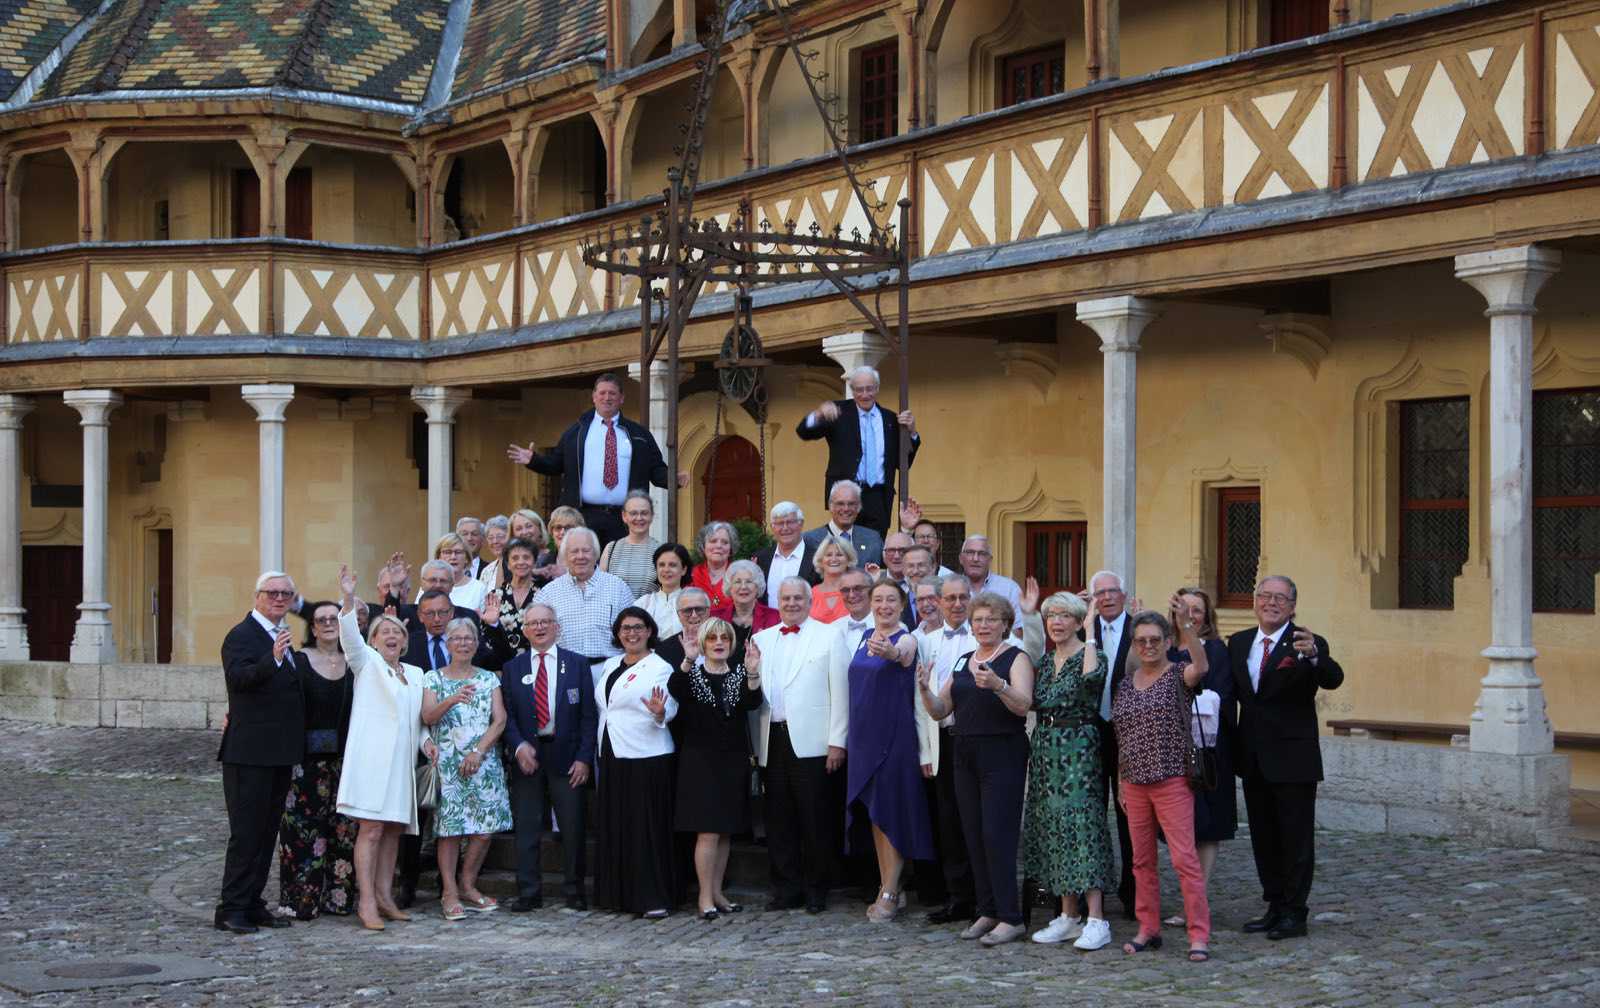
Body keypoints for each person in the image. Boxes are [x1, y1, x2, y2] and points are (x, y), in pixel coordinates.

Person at [1229, 575, 1344, 942]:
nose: (1272, 602)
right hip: (1253, 757)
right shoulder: (1240, 642)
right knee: (1263, 838)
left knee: (1295, 839)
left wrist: (1314, 656)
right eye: (1265, 595)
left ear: (1293, 606)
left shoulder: (1306, 642)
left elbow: (1333, 678)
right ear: (1256, 601)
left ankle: (1296, 913)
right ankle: (1275, 904)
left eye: (1281, 598)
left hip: (1293, 758)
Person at [916, 592, 1033, 946]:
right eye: (978, 620)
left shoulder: (1016, 657)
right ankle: (988, 910)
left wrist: (998, 685)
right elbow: (940, 710)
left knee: (997, 836)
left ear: (1005, 625)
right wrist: (924, 689)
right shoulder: (965, 659)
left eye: (991, 620)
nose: (983, 625)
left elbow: (1023, 705)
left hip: (1002, 751)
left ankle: (1011, 917)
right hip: (964, 752)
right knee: (973, 834)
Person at [334, 564, 435, 933]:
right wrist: (348, 597)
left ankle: (385, 896)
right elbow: (350, 641)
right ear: (374, 640)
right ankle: (365, 901)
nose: (391, 636)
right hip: (372, 762)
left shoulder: (416, 673)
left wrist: (426, 742)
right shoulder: (368, 663)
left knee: (393, 830)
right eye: (384, 632)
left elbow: (419, 718)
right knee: (372, 830)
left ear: (405, 642)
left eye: (397, 633)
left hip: (401, 764)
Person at [1111, 607, 1211, 961]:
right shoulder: (1125, 684)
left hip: (1171, 779)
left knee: (1184, 859)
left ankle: (1198, 934)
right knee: (1141, 861)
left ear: (1168, 641)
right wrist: (1122, 781)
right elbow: (1123, 733)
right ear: (1134, 646)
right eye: (1142, 641)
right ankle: (1147, 927)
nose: (1149, 645)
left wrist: (1186, 627)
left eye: (1155, 639)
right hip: (1134, 782)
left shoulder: (1178, 675)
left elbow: (1202, 667)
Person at [216, 571, 307, 934]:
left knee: (267, 833)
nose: (280, 599)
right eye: (272, 593)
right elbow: (238, 680)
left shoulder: (284, 637)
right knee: (246, 833)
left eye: (286, 593)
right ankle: (231, 908)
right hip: (248, 753)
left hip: (279, 753)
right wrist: (271, 659)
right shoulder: (241, 636)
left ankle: (253, 902)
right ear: (257, 597)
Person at [1022, 592, 1114, 950]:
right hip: (1045, 748)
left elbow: (1092, 680)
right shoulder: (1045, 661)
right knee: (1053, 828)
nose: (1056, 622)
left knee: (1083, 826)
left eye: (1064, 616)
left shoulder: (1092, 655)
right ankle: (1068, 915)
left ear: (1077, 621)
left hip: (1078, 746)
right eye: (1051, 616)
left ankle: (1097, 919)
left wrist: (1091, 634)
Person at [751, 577, 848, 914]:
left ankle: (818, 889)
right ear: (778, 601)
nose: (792, 603)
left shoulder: (830, 634)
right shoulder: (761, 638)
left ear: (810, 601)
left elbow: (841, 692)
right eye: (786, 598)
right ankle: (786, 889)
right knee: (778, 821)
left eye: (798, 598)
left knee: (816, 820)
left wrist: (838, 741)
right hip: (771, 739)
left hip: (815, 742)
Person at [507, 372, 687, 549]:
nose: (606, 398)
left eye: (612, 393)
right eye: (602, 393)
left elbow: (656, 471)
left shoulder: (638, 434)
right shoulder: (575, 432)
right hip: (584, 515)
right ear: (594, 396)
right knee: (583, 563)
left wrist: (674, 478)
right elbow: (555, 465)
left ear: (621, 397)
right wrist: (533, 460)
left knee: (618, 568)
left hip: (623, 518)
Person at [846, 578, 934, 921]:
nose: (884, 606)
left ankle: (890, 889)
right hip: (863, 740)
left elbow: (904, 657)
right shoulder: (862, 639)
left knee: (892, 813)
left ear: (902, 605)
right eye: (878, 599)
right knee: (876, 816)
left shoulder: (907, 637)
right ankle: (888, 884)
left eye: (891, 600)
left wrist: (893, 653)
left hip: (893, 739)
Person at [501, 604, 597, 911]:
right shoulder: (512, 668)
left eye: (546, 622)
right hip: (528, 756)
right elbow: (508, 716)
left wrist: (584, 758)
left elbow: (588, 717)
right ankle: (529, 891)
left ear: (557, 627)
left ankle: (574, 889)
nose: (540, 628)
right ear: (525, 630)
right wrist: (517, 747)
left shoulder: (578, 664)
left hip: (567, 755)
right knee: (527, 827)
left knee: (572, 826)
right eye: (533, 623)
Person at [669, 618, 764, 919]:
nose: (719, 643)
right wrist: (687, 658)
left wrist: (752, 672)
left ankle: (718, 892)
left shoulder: (738, 674)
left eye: (724, 638)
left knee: (725, 832)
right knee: (708, 833)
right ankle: (704, 897)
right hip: (700, 764)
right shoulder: (693, 674)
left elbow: (752, 702)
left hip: (732, 761)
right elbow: (675, 688)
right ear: (702, 643)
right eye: (712, 639)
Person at [420, 618, 512, 921]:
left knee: (484, 830)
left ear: (476, 644)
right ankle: (449, 892)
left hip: (483, 761)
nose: (463, 643)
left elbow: (499, 720)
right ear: (447, 645)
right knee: (450, 830)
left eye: (468, 638)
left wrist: (478, 751)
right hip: (448, 763)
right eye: (457, 638)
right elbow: (428, 716)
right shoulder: (434, 678)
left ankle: (468, 885)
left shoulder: (488, 679)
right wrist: (452, 698)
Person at [594, 607, 679, 917]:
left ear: (649, 631)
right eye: (626, 628)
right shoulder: (609, 664)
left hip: (647, 754)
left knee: (646, 829)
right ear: (618, 633)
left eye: (638, 627)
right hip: (613, 752)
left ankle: (652, 897)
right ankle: (618, 895)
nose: (632, 633)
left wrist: (659, 712)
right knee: (618, 826)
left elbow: (669, 706)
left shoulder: (659, 667)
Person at [276, 600, 356, 921]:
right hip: (306, 761)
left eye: (333, 618)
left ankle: (337, 898)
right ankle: (300, 900)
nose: (327, 623)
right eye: (320, 619)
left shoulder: (355, 661)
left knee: (343, 831)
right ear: (311, 627)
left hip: (346, 760)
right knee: (302, 833)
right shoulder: (298, 660)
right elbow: (278, 699)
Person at [914, 574, 977, 926]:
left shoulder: (987, 637)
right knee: (949, 824)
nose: (956, 604)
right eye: (949, 598)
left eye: (962, 597)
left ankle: (986, 896)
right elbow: (917, 700)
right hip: (942, 740)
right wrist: (925, 752)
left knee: (977, 820)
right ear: (938, 602)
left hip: (976, 739)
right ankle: (959, 898)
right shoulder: (927, 641)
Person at [795, 365, 921, 538]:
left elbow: (903, 462)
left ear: (877, 389)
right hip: (846, 495)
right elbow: (804, 432)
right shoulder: (838, 412)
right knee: (845, 546)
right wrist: (817, 415)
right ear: (852, 390)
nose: (865, 394)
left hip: (879, 495)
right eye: (859, 389)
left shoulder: (890, 419)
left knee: (875, 548)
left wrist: (912, 433)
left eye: (870, 389)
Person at [1171, 587, 1235, 912]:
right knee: (1180, 826)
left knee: (1209, 825)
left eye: (1197, 610)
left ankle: (1197, 901)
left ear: (1207, 616)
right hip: (1170, 751)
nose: (1191, 615)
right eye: (1185, 609)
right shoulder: (1163, 648)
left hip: (1208, 751)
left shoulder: (1217, 650)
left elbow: (1220, 695)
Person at [1089, 569, 1139, 919]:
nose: (1107, 597)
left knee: (1130, 817)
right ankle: (1090, 892)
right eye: (1100, 593)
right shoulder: (1082, 629)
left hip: (1129, 733)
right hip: (1091, 733)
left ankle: (1134, 893)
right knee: (1090, 815)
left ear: (1123, 595)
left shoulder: (1141, 630)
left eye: (1112, 591)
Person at [532, 527, 637, 671]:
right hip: (564, 670)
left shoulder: (618, 587)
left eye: (585, 551)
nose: (580, 556)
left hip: (610, 670)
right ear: (565, 556)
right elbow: (534, 634)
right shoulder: (548, 593)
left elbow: (635, 630)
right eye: (574, 551)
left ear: (595, 553)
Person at [801, 479, 884, 569]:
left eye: (851, 504)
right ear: (830, 506)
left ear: (858, 507)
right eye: (840, 504)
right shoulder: (809, 540)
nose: (846, 509)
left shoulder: (873, 538)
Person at [752, 501, 820, 606]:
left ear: (801, 524)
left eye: (790, 522)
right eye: (779, 523)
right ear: (772, 527)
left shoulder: (817, 559)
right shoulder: (760, 559)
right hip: (768, 622)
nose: (785, 528)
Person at [600, 490, 662, 598]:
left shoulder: (661, 550)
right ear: (624, 516)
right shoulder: (611, 549)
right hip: (618, 614)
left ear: (651, 516)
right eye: (633, 513)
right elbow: (600, 588)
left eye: (644, 513)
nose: (639, 518)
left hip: (648, 614)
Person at [489, 537, 542, 654]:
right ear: (508, 564)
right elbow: (487, 635)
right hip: (500, 663)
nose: (521, 562)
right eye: (515, 558)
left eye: (526, 557)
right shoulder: (495, 596)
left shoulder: (544, 594)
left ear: (534, 562)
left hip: (535, 663)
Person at [959, 535, 1021, 628]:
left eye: (982, 554)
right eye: (970, 553)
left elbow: (1018, 628)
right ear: (961, 558)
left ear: (990, 560)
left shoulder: (1009, 588)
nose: (975, 559)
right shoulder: (949, 588)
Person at [711, 559, 780, 634]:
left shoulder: (774, 617)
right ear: (729, 587)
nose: (743, 587)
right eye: (738, 582)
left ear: (757, 587)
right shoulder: (714, 618)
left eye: (749, 582)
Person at [638, 542, 691, 639]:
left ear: (683, 569)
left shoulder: (693, 602)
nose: (666, 569)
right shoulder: (643, 604)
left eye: (673, 565)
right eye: (661, 565)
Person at [432, 532, 489, 611]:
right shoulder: (429, 585)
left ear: (467, 558)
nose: (453, 557)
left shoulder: (478, 588)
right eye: (448, 552)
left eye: (458, 552)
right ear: (439, 557)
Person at [807, 535, 858, 623]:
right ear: (821, 561)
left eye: (839, 555)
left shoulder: (856, 592)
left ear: (848, 561)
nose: (834, 559)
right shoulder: (810, 594)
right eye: (828, 555)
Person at [690, 520, 739, 609]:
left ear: (731, 548)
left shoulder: (739, 575)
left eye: (725, 542)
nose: (719, 546)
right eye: (713, 541)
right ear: (703, 546)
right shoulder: (692, 575)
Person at [477, 515, 510, 588]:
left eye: (500, 536)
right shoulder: (486, 571)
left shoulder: (518, 566)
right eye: (490, 538)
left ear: (510, 537)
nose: (495, 541)